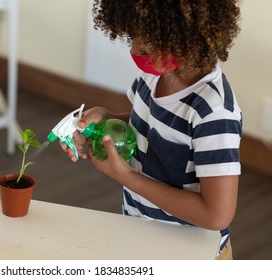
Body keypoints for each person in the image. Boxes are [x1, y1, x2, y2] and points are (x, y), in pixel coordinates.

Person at [60, 0, 242, 260]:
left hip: (189, 256)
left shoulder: (213, 112)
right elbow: (150, 125)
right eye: (132, 37)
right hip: (143, 236)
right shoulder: (155, 75)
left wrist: (127, 177)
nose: (135, 49)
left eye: (145, 42)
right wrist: (106, 119)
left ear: (182, 35)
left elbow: (217, 214)